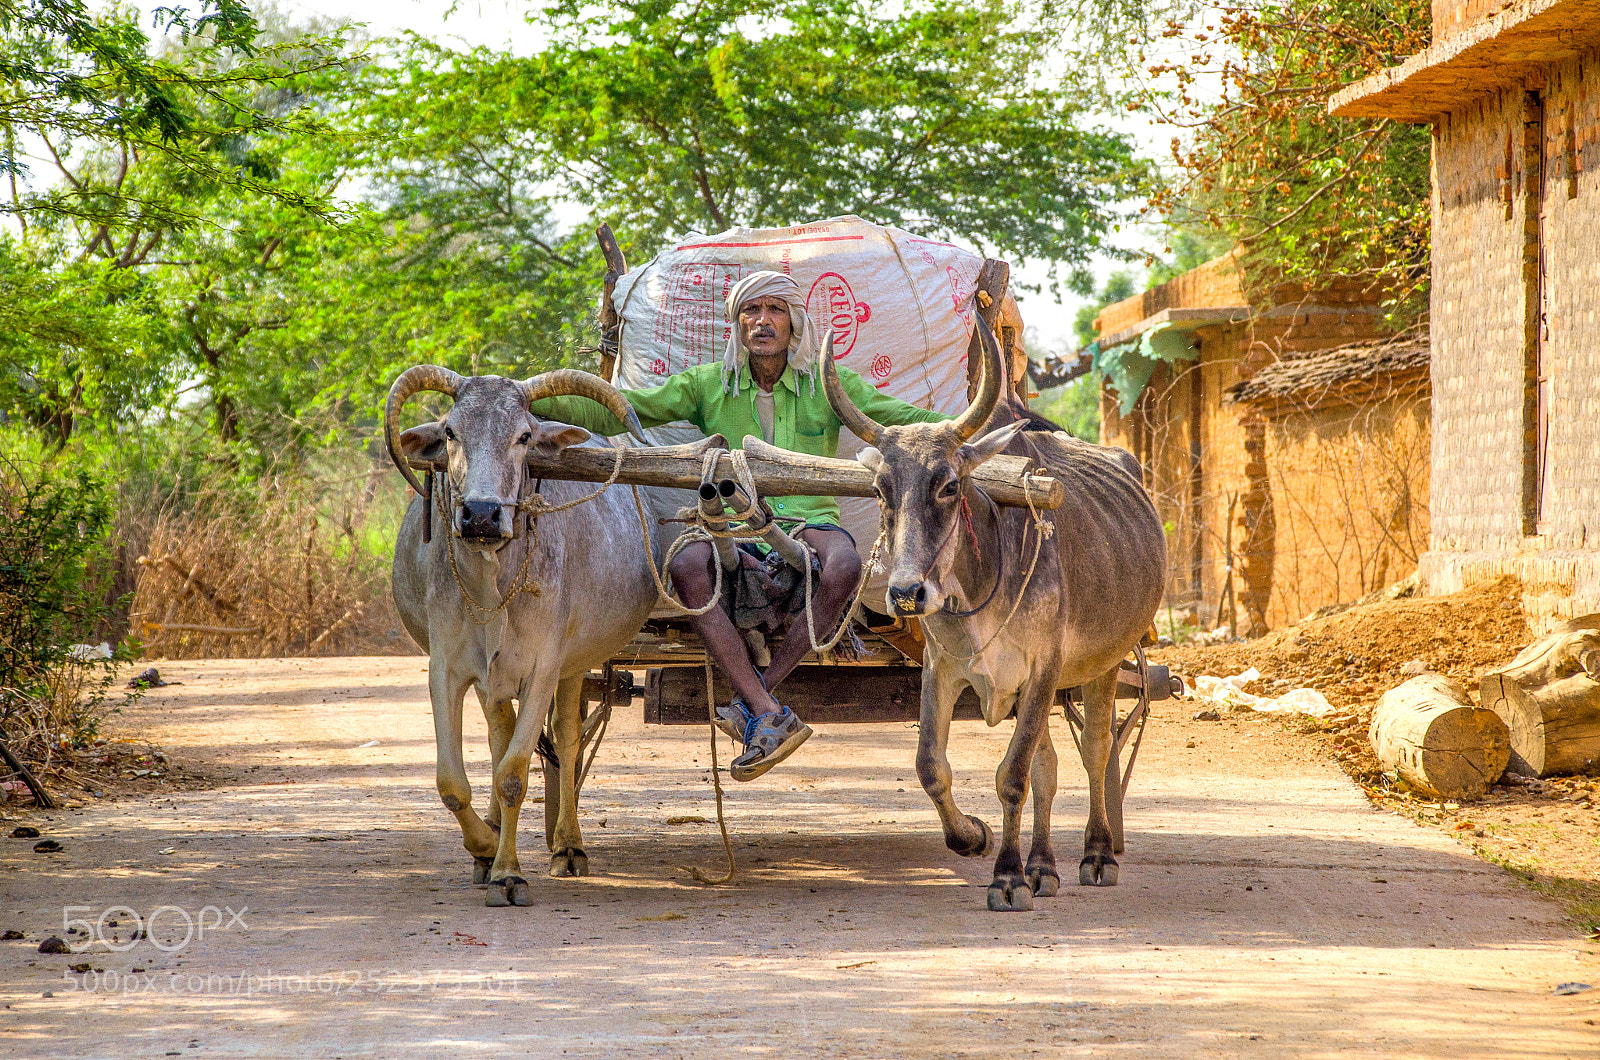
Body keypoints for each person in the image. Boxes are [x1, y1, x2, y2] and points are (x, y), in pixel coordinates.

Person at [530, 271, 948, 780]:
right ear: (737, 324)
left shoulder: (830, 384)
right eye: (751, 311)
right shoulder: (707, 384)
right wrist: (524, 400)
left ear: (795, 321)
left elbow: (904, 420)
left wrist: (964, 433)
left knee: (845, 565)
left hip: (808, 521)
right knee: (685, 565)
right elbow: (627, 411)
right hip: (726, 524)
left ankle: (757, 702)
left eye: (775, 309)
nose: (762, 320)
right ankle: (768, 711)